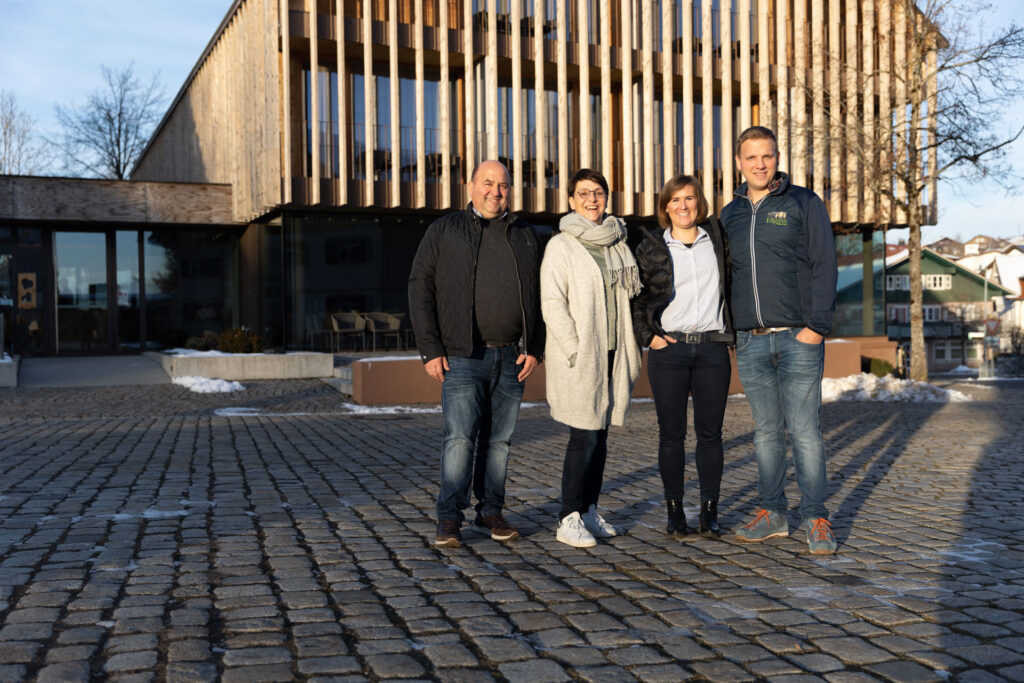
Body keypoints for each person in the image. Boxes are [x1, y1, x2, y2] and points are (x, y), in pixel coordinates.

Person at [408, 160, 544, 548]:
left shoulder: (525, 234)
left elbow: (541, 294)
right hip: (463, 356)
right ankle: (449, 518)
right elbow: (420, 288)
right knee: (459, 440)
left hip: (511, 358)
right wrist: (430, 349)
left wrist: (535, 348)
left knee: (499, 442)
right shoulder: (444, 230)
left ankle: (490, 512)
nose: (495, 192)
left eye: (502, 185)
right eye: (487, 183)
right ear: (471, 187)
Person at [721, 126, 839, 554]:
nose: (759, 164)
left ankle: (816, 517)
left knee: (805, 432)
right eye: (751, 157)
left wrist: (816, 327)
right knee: (766, 432)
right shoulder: (729, 214)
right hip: (751, 341)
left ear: (776, 158)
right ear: (739, 162)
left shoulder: (803, 202)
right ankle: (772, 511)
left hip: (798, 337)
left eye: (766, 156)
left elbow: (825, 263)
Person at [541, 169, 642, 548]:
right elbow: (553, 302)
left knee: (599, 437)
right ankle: (568, 516)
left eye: (598, 192)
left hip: (613, 351)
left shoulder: (618, 241)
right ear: (571, 200)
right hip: (583, 356)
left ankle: (588, 510)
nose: (591, 199)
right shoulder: (561, 246)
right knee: (582, 435)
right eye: (583, 193)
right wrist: (574, 348)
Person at [631, 175, 734, 538]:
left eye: (689, 199)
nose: (683, 206)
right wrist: (650, 338)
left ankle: (709, 511)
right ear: (666, 207)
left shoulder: (717, 240)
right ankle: (675, 511)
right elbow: (638, 298)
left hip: (711, 349)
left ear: (698, 202)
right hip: (669, 351)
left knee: (711, 435)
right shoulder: (652, 247)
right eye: (675, 200)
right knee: (671, 435)